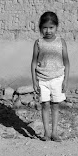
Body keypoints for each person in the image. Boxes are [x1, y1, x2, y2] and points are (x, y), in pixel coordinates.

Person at [31, 11, 70, 142]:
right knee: (45, 105)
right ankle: (46, 132)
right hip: (42, 79)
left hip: (58, 78)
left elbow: (67, 62)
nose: (48, 31)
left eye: (51, 27)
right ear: (40, 28)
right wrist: (34, 81)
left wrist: (66, 80)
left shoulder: (61, 42)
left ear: (56, 27)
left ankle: (54, 132)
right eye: (45, 28)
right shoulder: (38, 43)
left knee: (55, 105)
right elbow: (33, 62)